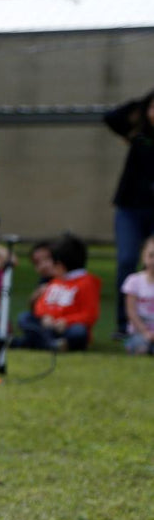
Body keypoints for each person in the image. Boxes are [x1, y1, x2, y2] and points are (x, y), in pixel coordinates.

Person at [104, 90, 154, 337]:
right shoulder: (138, 135)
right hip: (130, 209)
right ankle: (124, 323)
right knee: (126, 260)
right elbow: (112, 117)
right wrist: (142, 100)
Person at [12, 235, 101, 352]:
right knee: (24, 318)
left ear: (59, 266)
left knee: (79, 332)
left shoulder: (86, 283)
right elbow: (41, 303)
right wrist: (45, 316)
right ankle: (51, 344)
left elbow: (89, 314)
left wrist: (66, 321)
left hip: (66, 328)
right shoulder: (56, 281)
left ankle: (33, 343)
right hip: (48, 326)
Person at [123, 235, 154, 355]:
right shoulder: (134, 281)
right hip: (138, 331)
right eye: (151, 256)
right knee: (141, 347)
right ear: (143, 257)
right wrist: (145, 332)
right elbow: (131, 312)